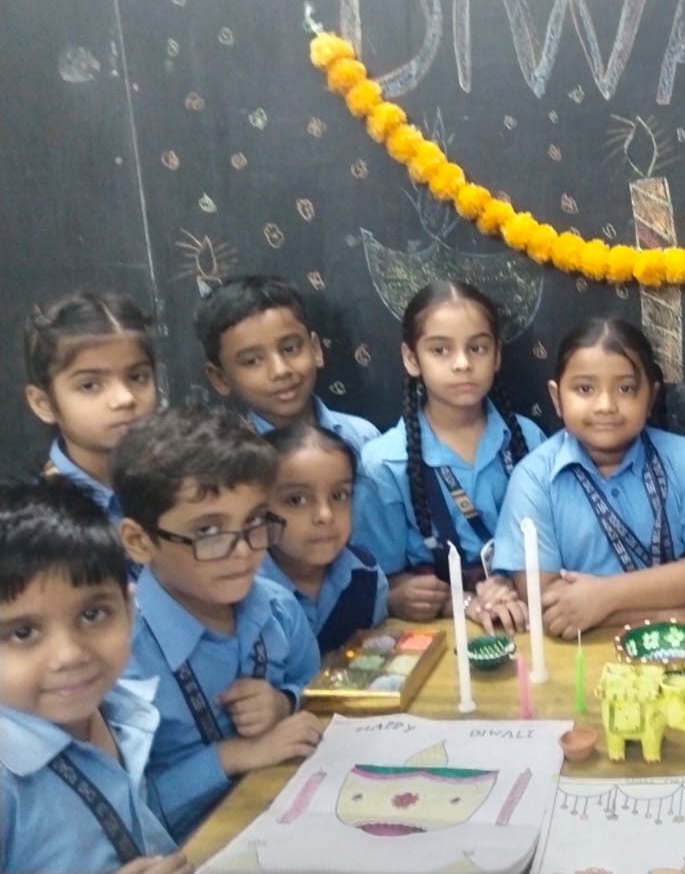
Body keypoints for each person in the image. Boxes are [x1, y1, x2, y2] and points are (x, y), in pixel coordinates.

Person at [113, 406, 323, 843]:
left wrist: (285, 701)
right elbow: (125, 812)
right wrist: (233, 755)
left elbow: (316, 687)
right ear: (139, 541)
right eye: (208, 531)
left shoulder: (279, 608)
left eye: (254, 522)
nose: (243, 551)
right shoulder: (117, 659)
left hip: (295, 814)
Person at [493, 317, 685, 637]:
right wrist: (670, 613)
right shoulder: (534, 478)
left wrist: (605, 596)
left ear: (650, 397)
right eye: (585, 389)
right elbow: (547, 604)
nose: (606, 406)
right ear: (556, 397)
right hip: (581, 652)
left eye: (625, 389)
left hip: (682, 644)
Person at [0, 479, 189, 874]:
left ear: (129, 609)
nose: (70, 655)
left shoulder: (119, 708)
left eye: (92, 615)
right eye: (22, 632)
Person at [354, 281, 544, 634]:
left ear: (497, 355)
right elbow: (382, 579)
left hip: (528, 614)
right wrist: (403, 596)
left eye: (478, 348)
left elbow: (553, 541)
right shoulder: (384, 464)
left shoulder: (529, 440)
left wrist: (508, 582)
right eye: (440, 350)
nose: (462, 364)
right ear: (412, 359)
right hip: (440, 629)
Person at [193, 275, 379, 453]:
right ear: (221, 379)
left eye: (290, 349)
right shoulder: (226, 464)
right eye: (252, 361)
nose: (280, 370)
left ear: (315, 349)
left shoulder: (362, 439)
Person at [23, 291, 158, 524]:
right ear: (43, 404)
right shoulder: (33, 524)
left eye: (137, 377)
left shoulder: (185, 486)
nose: (125, 398)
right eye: (90, 385)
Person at [261, 423, 388, 653]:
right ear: (257, 510)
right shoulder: (244, 591)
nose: (325, 515)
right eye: (296, 500)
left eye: (339, 495)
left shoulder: (366, 574)